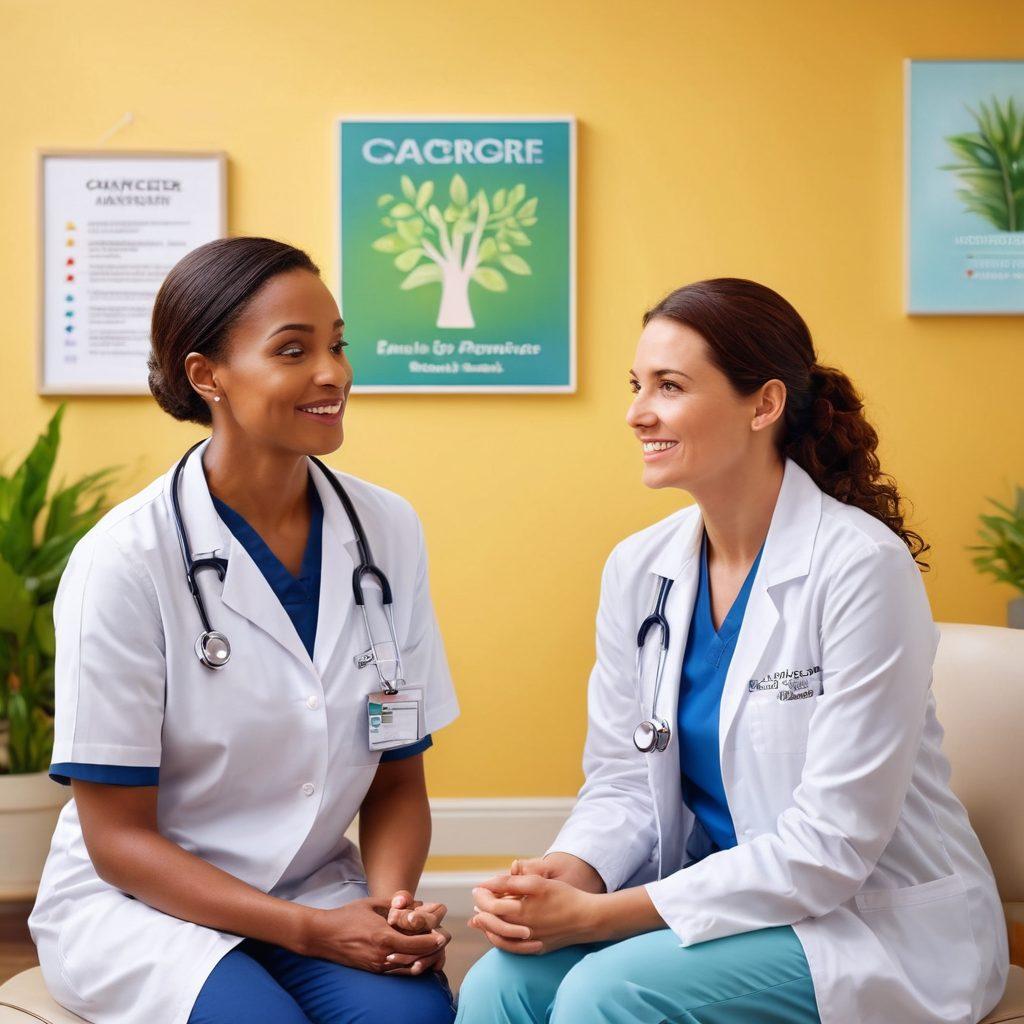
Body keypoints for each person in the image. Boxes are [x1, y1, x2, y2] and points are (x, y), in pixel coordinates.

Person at [456, 278, 1008, 1024]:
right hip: (729, 899)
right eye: (636, 385)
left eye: (670, 386)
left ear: (764, 404)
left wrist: (599, 918)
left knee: (606, 990)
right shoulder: (639, 569)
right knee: (502, 984)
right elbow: (624, 780)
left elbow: (830, 847)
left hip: (865, 923)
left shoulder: (859, 568)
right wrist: (576, 871)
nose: (636, 412)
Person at [29, 237, 460, 1024]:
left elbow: (398, 772)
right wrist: (312, 933)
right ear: (207, 375)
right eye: (292, 350)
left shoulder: (386, 531)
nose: (332, 373)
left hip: (314, 886)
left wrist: (391, 908)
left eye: (335, 345)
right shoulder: (125, 560)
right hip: (147, 908)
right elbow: (118, 840)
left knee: (413, 1020)